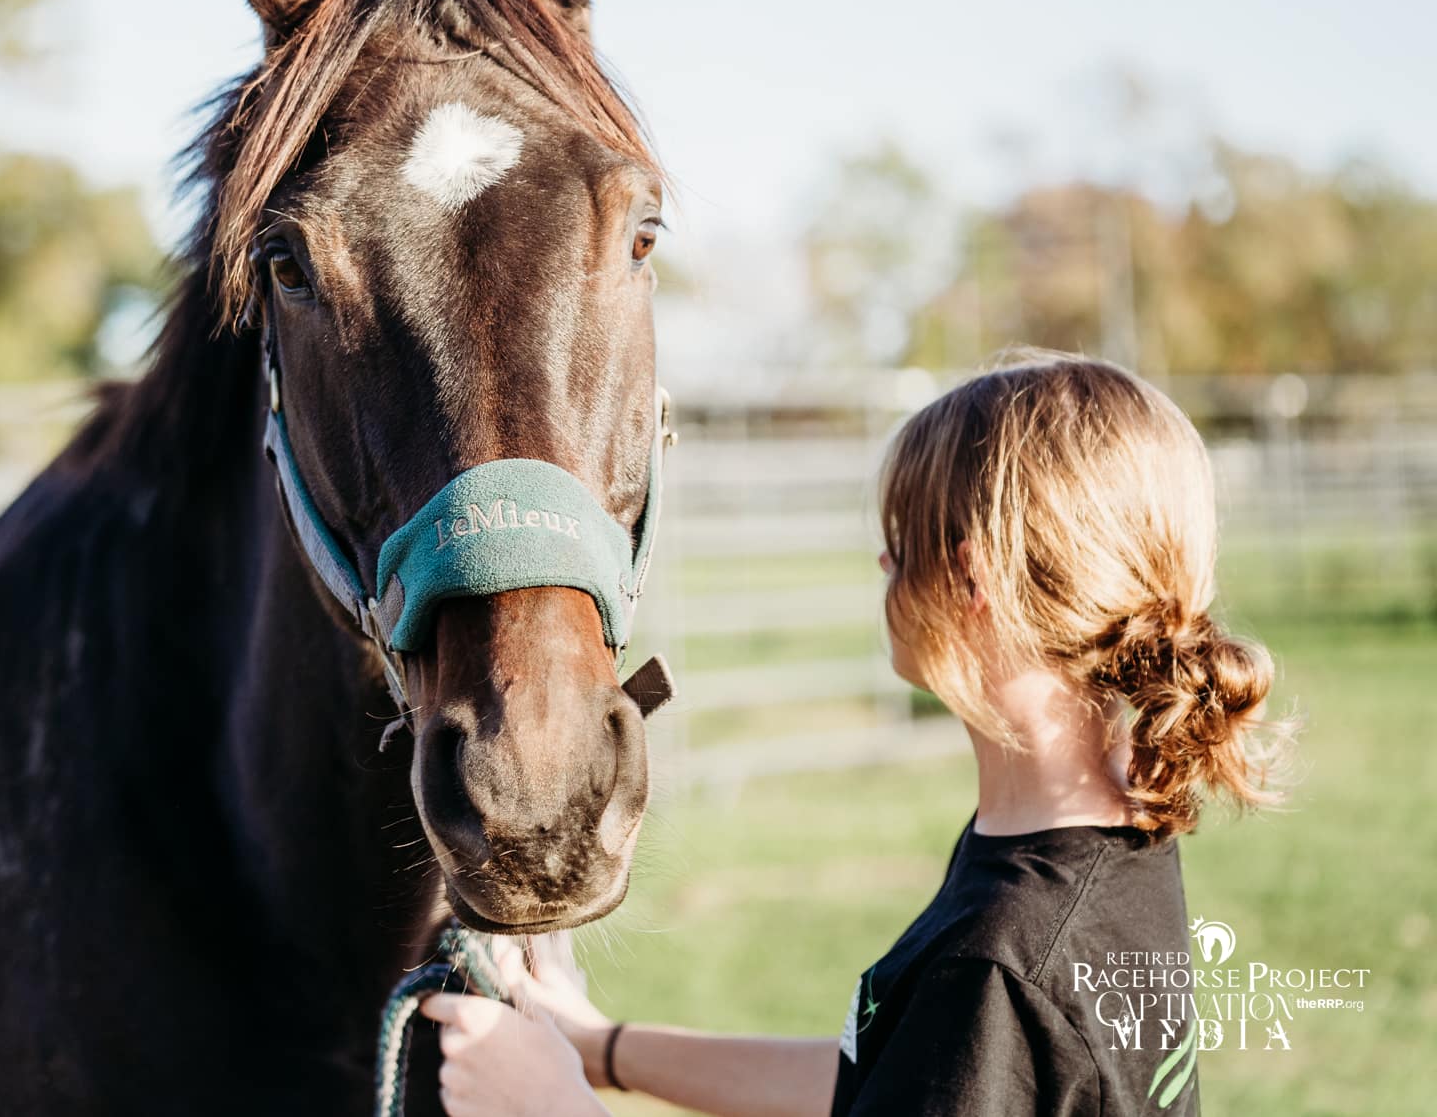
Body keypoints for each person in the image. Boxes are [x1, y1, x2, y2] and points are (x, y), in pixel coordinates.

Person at [421, 352, 1291, 1117]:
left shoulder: (997, 967)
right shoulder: (1110, 840)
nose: (883, 563)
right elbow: (890, 1076)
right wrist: (598, 1045)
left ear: (972, 580)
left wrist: (549, 1103)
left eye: (900, 541)